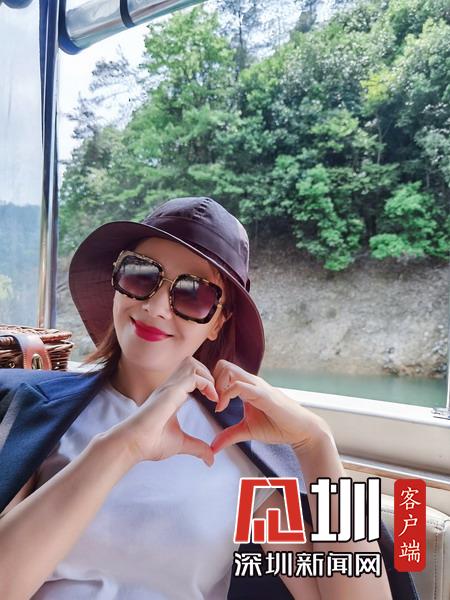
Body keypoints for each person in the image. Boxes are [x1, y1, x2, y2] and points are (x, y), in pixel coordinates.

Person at [0, 197, 418, 599]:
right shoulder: (33, 408)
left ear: (218, 321)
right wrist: (124, 446)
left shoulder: (241, 450)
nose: (157, 307)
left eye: (193, 294)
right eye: (141, 274)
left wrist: (318, 444)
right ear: (116, 281)